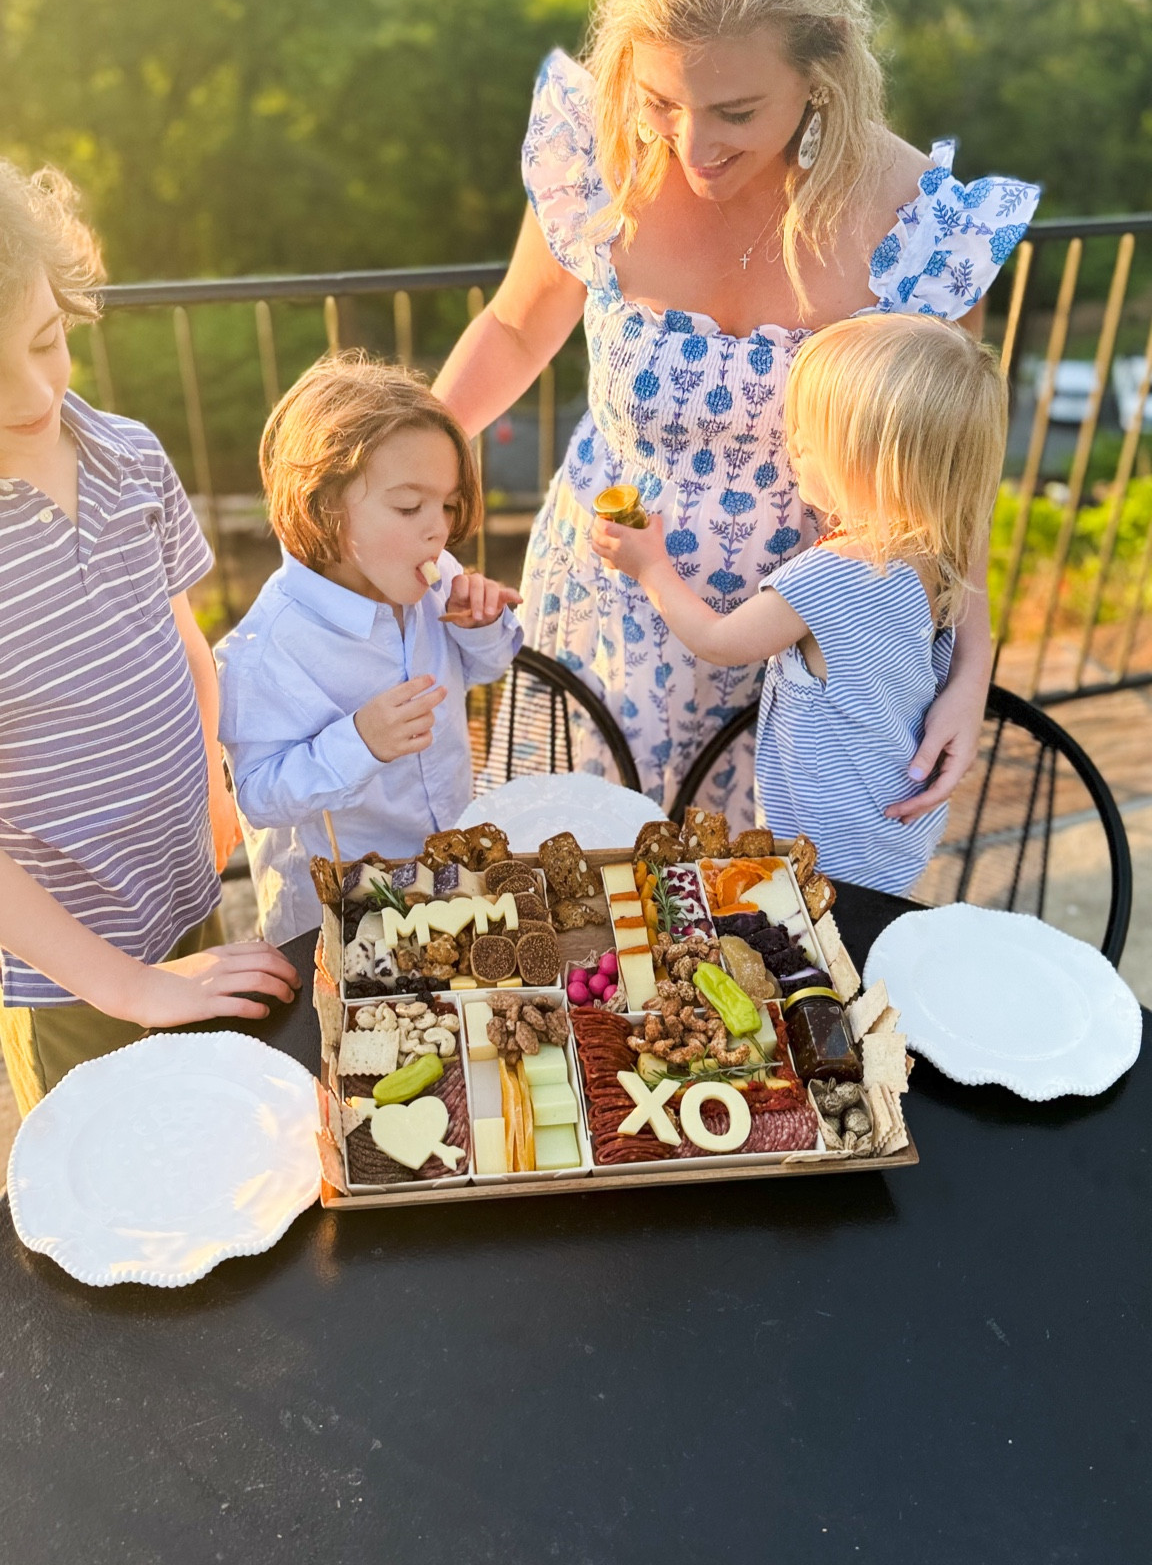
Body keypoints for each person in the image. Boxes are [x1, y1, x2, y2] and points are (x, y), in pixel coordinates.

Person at [433, 0, 1039, 823]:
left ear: (825, 65)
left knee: (746, 947)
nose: (693, 146)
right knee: (578, 924)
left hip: (795, 668)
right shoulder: (599, 150)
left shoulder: (921, 231)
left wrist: (971, 665)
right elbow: (511, 326)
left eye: (737, 110)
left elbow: (941, 485)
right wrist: (391, 470)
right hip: (599, 632)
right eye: (663, 100)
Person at [0, 160, 298, 1115]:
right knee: (113, 1206)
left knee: (214, 1135)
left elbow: (184, 640)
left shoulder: (130, 455)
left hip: (186, 897)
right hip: (75, 983)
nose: (32, 394)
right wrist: (128, 989)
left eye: (47, 342)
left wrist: (214, 772)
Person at [592, 313, 1008, 893]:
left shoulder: (832, 575)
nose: (791, 449)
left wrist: (650, 567)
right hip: (890, 822)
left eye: (806, 443)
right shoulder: (937, 549)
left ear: (866, 466)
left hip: (826, 847)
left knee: (823, 960)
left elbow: (721, 642)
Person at [216, 353, 523, 960]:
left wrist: (482, 625)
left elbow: (485, 670)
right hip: (337, 923)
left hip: (445, 882)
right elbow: (255, 794)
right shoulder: (268, 647)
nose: (439, 530)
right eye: (410, 508)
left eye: (449, 505)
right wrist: (359, 742)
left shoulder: (434, 579)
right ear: (326, 505)